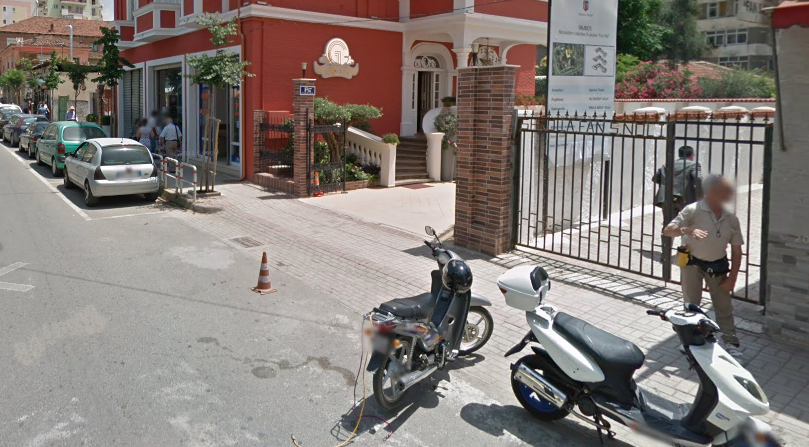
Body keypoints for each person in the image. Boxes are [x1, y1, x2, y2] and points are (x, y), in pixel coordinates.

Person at [663, 174, 744, 360]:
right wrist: (686, 230)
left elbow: (737, 252)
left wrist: (732, 278)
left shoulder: (731, 219)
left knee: (723, 306)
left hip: (717, 266)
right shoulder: (692, 210)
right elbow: (667, 231)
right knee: (692, 304)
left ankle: (731, 343)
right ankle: (692, 340)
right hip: (692, 263)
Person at [653, 145, 703, 252]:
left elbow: (655, 178)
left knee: (668, 225)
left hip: (667, 199)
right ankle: (684, 253)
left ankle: (665, 254)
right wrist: (700, 194)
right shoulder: (693, 164)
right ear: (691, 155)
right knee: (687, 225)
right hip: (685, 199)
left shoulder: (668, 165)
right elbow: (698, 179)